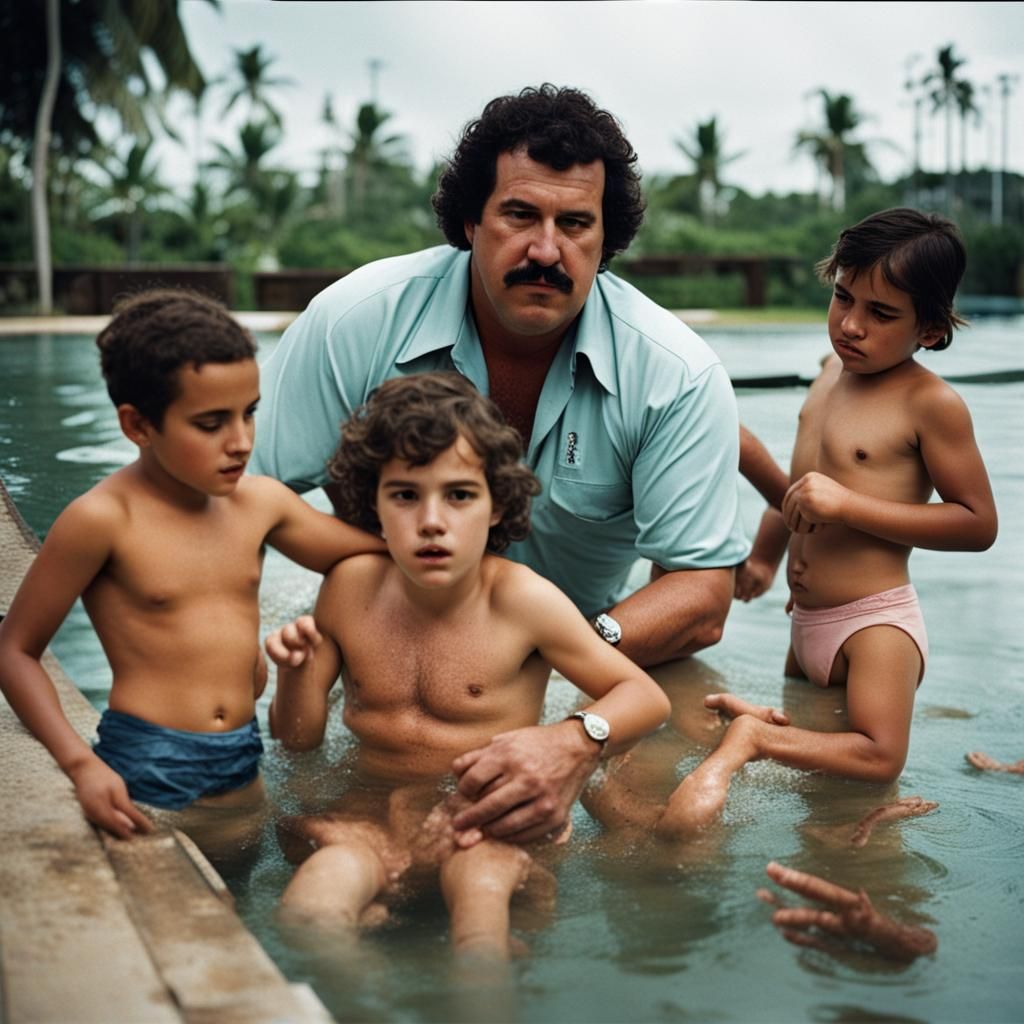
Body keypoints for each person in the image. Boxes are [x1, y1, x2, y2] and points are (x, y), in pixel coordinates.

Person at [250, 84, 748, 844]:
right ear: (469, 221)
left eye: (576, 224)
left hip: (593, 645)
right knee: (263, 819)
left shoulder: (675, 374)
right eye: (520, 215)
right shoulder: (352, 323)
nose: (546, 251)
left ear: (605, 240)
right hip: (383, 647)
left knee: (663, 843)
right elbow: (237, 507)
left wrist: (566, 678)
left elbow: (704, 594)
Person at [607, 208, 999, 837]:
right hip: (806, 621)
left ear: (928, 330)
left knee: (872, 763)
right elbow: (800, 492)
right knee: (820, 806)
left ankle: (751, 746)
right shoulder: (829, 376)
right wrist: (764, 558)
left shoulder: (932, 404)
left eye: (881, 314)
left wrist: (850, 505)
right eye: (843, 297)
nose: (851, 324)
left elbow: (979, 524)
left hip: (872, 623)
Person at [264, 373, 670, 958]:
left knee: (477, 945)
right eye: (405, 495)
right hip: (367, 819)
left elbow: (644, 696)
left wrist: (570, 737)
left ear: (496, 503)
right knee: (307, 918)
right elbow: (299, 743)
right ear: (372, 504)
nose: (432, 520)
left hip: (483, 826)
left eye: (459, 495)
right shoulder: (350, 589)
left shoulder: (522, 601)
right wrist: (295, 676)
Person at [0, 290, 384, 859]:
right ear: (137, 425)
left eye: (249, 412)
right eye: (210, 423)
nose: (241, 441)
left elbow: (372, 557)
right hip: (149, 766)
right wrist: (81, 765)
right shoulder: (102, 520)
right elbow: (15, 650)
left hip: (243, 762)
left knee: (239, 911)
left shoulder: (261, 505)